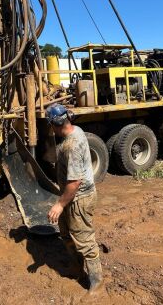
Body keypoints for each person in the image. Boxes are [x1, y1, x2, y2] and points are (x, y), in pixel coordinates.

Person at [46, 103, 103, 293]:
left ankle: (96, 281)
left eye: (50, 125)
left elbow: (75, 182)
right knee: (66, 234)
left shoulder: (72, 145)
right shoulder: (73, 130)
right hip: (70, 197)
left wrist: (60, 205)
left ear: (56, 124)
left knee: (84, 239)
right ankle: (77, 268)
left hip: (79, 198)